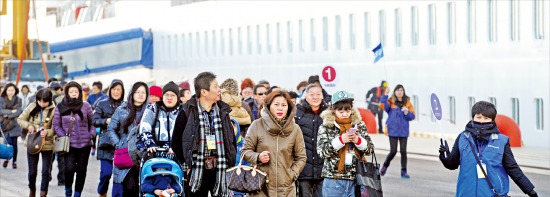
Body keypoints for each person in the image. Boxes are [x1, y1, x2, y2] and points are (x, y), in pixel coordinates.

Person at [439, 101, 538, 197]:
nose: (481, 121)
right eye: (478, 117)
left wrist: (529, 190)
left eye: (486, 118)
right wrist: (446, 156)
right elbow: (452, 164)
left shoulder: (501, 141)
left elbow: (512, 168)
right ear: (473, 117)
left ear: (492, 120)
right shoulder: (462, 137)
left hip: (492, 194)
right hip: (465, 193)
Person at [172, 72, 237, 197]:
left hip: (220, 168)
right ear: (204, 92)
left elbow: (231, 140)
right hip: (197, 168)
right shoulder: (187, 111)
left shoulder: (223, 111)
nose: (220, 90)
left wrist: (230, 162)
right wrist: (187, 165)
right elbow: (176, 142)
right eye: (216, 87)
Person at [242, 90, 307, 197]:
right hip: (260, 186)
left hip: (286, 188)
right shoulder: (257, 125)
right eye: (276, 105)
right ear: (268, 106)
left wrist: (291, 174)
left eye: (283, 105)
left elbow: (301, 157)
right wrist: (258, 157)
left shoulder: (295, 129)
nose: (280, 108)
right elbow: (245, 152)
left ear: (289, 108)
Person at [317, 90, 375, 197]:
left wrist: (357, 140)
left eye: (347, 110)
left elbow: (370, 149)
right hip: (333, 180)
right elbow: (322, 152)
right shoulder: (326, 126)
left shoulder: (359, 125)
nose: (344, 114)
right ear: (333, 110)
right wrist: (340, 140)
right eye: (341, 111)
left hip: (356, 179)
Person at [53, 81, 95, 197]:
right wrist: (64, 136)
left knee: (82, 170)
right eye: (71, 92)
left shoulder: (86, 105)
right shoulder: (60, 106)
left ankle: (77, 193)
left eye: (76, 92)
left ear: (79, 93)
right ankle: (68, 191)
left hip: (84, 144)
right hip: (69, 145)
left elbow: (93, 123)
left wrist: (90, 135)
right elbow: (56, 125)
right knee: (69, 169)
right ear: (67, 93)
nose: (74, 94)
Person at [107, 82, 149, 197]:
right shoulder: (122, 109)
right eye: (137, 92)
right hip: (126, 152)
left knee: (142, 187)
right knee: (129, 187)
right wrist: (118, 143)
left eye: (143, 92)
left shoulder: (150, 111)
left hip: (144, 154)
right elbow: (111, 128)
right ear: (132, 93)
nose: (140, 95)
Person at [17, 88, 56, 197]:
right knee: (32, 171)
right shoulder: (32, 106)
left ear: (49, 100)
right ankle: (32, 190)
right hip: (33, 142)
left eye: (45, 102)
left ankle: (43, 193)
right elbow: (20, 119)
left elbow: (57, 127)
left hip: (48, 144)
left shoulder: (54, 110)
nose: (42, 104)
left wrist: (47, 132)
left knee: (45, 172)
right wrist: (29, 126)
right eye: (40, 101)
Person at [294, 84, 328, 197]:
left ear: (322, 96)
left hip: (324, 168)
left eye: (318, 94)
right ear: (306, 96)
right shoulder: (297, 113)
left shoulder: (328, 114)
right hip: (304, 169)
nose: (315, 97)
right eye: (311, 94)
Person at [93, 79, 125, 197]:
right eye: (114, 89)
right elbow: (94, 120)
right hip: (105, 143)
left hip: (121, 144)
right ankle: (102, 193)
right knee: (105, 173)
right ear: (110, 90)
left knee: (119, 176)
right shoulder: (102, 103)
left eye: (118, 90)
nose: (116, 92)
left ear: (122, 92)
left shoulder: (126, 105)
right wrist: (105, 121)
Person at [379, 84, 415, 178]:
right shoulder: (390, 101)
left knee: (403, 151)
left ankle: (404, 171)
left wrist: (407, 113)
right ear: (394, 92)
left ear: (404, 92)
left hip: (403, 130)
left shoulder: (407, 102)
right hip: (392, 130)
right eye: (398, 90)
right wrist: (385, 94)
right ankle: (384, 167)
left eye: (401, 90)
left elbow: (412, 116)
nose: (400, 92)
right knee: (393, 151)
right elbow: (383, 105)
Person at [140, 81, 181, 156]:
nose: (169, 98)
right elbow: (144, 127)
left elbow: (188, 134)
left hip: (177, 156)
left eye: (173, 95)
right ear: (162, 96)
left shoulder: (183, 111)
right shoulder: (153, 108)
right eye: (167, 95)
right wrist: (150, 144)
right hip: (156, 153)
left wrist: (177, 147)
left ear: (177, 97)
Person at [1, 83, 22, 169]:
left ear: (15, 91)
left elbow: (19, 111)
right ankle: (7, 158)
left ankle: (14, 161)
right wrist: (11, 112)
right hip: (5, 125)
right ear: (6, 91)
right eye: (9, 90)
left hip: (15, 125)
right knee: (7, 142)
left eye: (12, 90)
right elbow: (1, 111)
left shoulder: (18, 99)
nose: (10, 92)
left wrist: (8, 115)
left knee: (14, 144)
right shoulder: (2, 99)